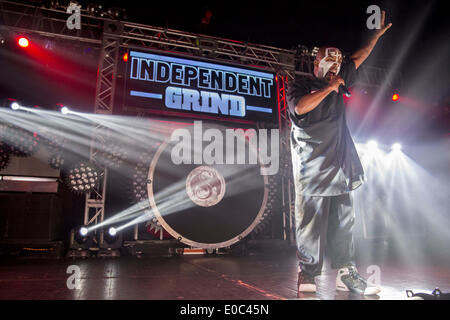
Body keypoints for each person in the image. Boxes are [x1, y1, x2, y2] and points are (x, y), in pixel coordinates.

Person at [287, 11, 392, 296]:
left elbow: (359, 57)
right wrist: (330, 88)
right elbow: (300, 108)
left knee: (346, 222)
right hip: (312, 168)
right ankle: (307, 272)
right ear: (318, 64)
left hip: (340, 164)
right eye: (329, 63)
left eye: (337, 64)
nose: (336, 68)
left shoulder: (341, 77)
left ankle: (346, 272)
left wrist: (375, 36)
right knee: (310, 226)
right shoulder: (301, 85)